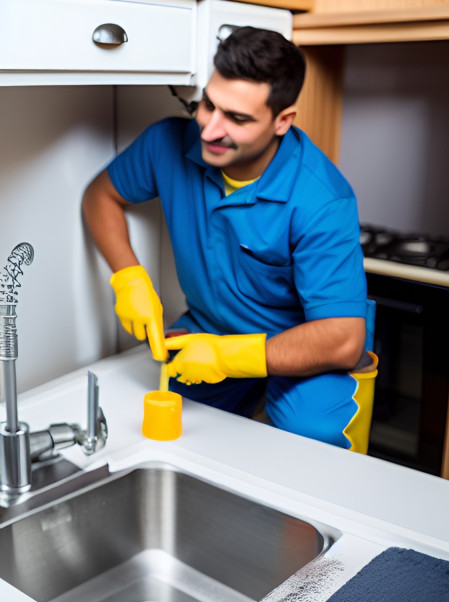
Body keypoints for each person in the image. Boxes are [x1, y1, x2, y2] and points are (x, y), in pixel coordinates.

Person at [82, 26, 368, 448]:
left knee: (313, 443)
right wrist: (129, 277)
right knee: (160, 427)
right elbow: (100, 196)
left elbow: (343, 338)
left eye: (236, 118)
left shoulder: (322, 199)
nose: (210, 130)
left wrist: (229, 357)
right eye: (208, 105)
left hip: (303, 349)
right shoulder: (167, 142)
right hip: (209, 330)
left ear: (282, 121)